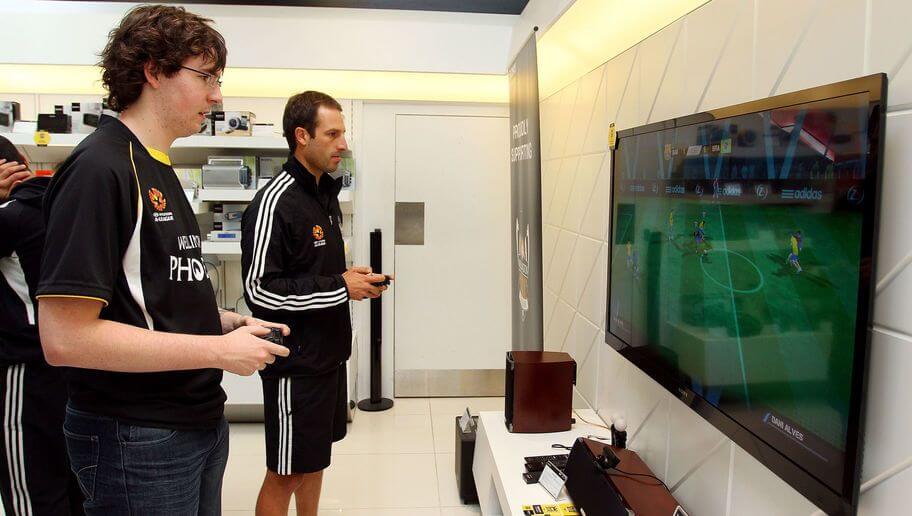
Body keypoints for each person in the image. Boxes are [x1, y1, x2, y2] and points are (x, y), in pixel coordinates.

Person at [35, 6, 289, 514]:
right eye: (206, 77)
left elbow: (141, 296)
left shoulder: (158, 164)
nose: (217, 95)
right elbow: (65, 338)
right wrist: (218, 353)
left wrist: (221, 324)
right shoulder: (100, 170)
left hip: (193, 421)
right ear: (153, 70)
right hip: (135, 435)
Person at [241, 91, 389, 516]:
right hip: (294, 367)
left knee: (315, 459)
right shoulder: (276, 202)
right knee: (286, 472)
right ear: (301, 136)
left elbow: (314, 271)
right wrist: (340, 287)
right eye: (333, 134)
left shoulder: (324, 195)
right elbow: (260, 291)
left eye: (344, 134)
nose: (343, 144)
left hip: (327, 358)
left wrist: (350, 279)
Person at [0, 137, 84, 515]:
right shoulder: (67, 208)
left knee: (31, 491)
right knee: (76, 484)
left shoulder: (10, 218)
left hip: (26, 370)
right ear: (23, 160)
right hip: (80, 363)